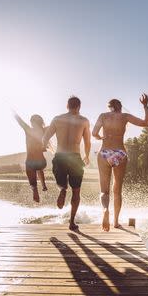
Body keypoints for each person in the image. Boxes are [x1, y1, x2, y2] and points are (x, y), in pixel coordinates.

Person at [92, 94, 148, 231]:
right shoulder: (125, 117)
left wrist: (100, 136)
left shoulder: (103, 116)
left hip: (105, 152)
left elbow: (94, 132)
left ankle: (105, 210)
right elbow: (146, 123)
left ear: (110, 107)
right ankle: (116, 222)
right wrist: (145, 106)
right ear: (120, 108)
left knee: (104, 190)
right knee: (117, 189)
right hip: (120, 153)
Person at [43, 96, 91, 231]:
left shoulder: (57, 119)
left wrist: (51, 149)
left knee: (61, 183)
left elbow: (45, 138)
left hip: (60, 156)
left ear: (67, 106)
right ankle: (71, 222)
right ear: (79, 107)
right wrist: (86, 156)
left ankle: (62, 190)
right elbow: (87, 142)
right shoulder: (84, 121)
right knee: (76, 191)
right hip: (75, 158)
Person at [14, 112, 49, 202]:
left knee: (31, 168)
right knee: (39, 168)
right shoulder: (44, 130)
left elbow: (20, 121)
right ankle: (44, 185)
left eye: (31, 122)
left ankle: (35, 190)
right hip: (41, 162)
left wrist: (14, 113)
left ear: (33, 122)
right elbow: (56, 125)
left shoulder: (28, 130)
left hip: (31, 161)